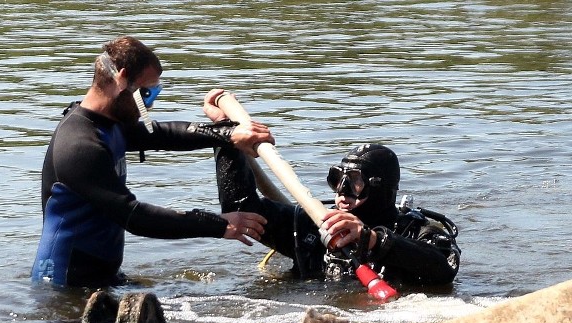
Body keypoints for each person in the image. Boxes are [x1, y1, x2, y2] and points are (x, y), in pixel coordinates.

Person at [31, 37, 274, 288]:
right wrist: (220, 224)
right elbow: (134, 216)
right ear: (121, 80)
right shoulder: (79, 145)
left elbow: (163, 134)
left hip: (104, 278)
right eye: (146, 94)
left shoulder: (108, 125)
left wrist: (227, 133)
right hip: (64, 287)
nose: (150, 104)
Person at [203, 90, 460, 286]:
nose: (342, 191)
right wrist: (225, 135)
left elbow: (443, 270)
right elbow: (241, 210)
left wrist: (371, 240)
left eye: (355, 182)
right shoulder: (309, 228)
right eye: (337, 179)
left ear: (382, 189)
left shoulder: (416, 231)